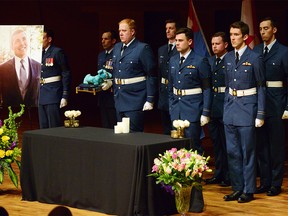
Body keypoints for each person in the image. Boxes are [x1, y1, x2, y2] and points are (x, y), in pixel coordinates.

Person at [168, 27, 211, 213]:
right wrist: (171, 109)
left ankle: (196, 201)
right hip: (176, 112)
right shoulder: (172, 60)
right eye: (176, 40)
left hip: (193, 112)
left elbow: (207, 88)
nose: (177, 43)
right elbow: (170, 88)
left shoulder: (199, 61)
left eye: (180, 40)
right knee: (177, 157)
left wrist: (205, 112)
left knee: (193, 157)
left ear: (190, 42)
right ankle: (179, 198)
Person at [223, 21, 265, 203]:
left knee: (247, 152)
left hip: (248, 109)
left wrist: (261, 113)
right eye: (231, 34)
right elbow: (227, 85)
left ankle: (248, 189)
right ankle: (237, 188)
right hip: (231, 109)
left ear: (245, 37)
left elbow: (262, 86)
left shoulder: (255, 57)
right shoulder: (227, 58)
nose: (232, 38)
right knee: (232, 152)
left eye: (236, 35)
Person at [253, 17, 288, 196]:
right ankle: (265, 182)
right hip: (259, 104)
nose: (262, 31)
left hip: (276, 104)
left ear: (274, 30)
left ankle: (276, 183)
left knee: (276, 146)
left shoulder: (283, 51)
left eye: (266, 28)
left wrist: (287, 107)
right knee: (261, 145)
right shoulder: (257, 50)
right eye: (260, 29)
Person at [110, 18, 157, 132]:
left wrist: (150, 99)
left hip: (135, 98)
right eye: (120, 30)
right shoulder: (116, 48)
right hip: (119, 97)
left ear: (132, 32)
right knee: (121, 134)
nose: (121, 33)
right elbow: (116, 70)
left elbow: (152, 75)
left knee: (134, 135)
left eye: (124, 30)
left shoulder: (142, 48)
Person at [205, 32, 230, 187]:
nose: (214, 46)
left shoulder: (230, 60)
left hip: (226, 106)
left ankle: (229, 175)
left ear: (225, 45)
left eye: (217, 44)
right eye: (213, 44)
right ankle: (219, 173)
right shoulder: (210, 61)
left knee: (228, 144)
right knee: (216, 143)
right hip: (213, 107)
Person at [38, 29, 72, 128]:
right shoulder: (40, 53)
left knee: (53, 126)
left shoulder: (57, 52)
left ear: (49, 39)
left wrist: (65, 95)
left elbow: (66, 72)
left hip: (53, 92)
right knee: (43, 126)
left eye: (43, 38)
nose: (40, 41)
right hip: (41, 93)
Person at [0, 28, 41, 107]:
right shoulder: (2, 69)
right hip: (10, 115)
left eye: (24, 39)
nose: (22, 43)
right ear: (12, 46)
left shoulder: (39, 66)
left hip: (33, 115)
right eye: (17, 41)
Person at [157, 19, 178, 135]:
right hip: (164, 92)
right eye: (166, 28)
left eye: (171, 28)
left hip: (175, 91)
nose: (168, 31)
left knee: (175, 127)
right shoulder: (162, 49)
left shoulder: (180, 49)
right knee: (165, 128)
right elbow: (159, 72)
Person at [96, 30, 118, 129]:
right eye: (102, 39)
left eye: (106, 39)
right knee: (105, 125)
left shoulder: (117, 54)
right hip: (102, 95)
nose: (103, 41)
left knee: (114, 123)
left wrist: (111, 82)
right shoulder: (101, 55)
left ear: (113, 41)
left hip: (113, 94)